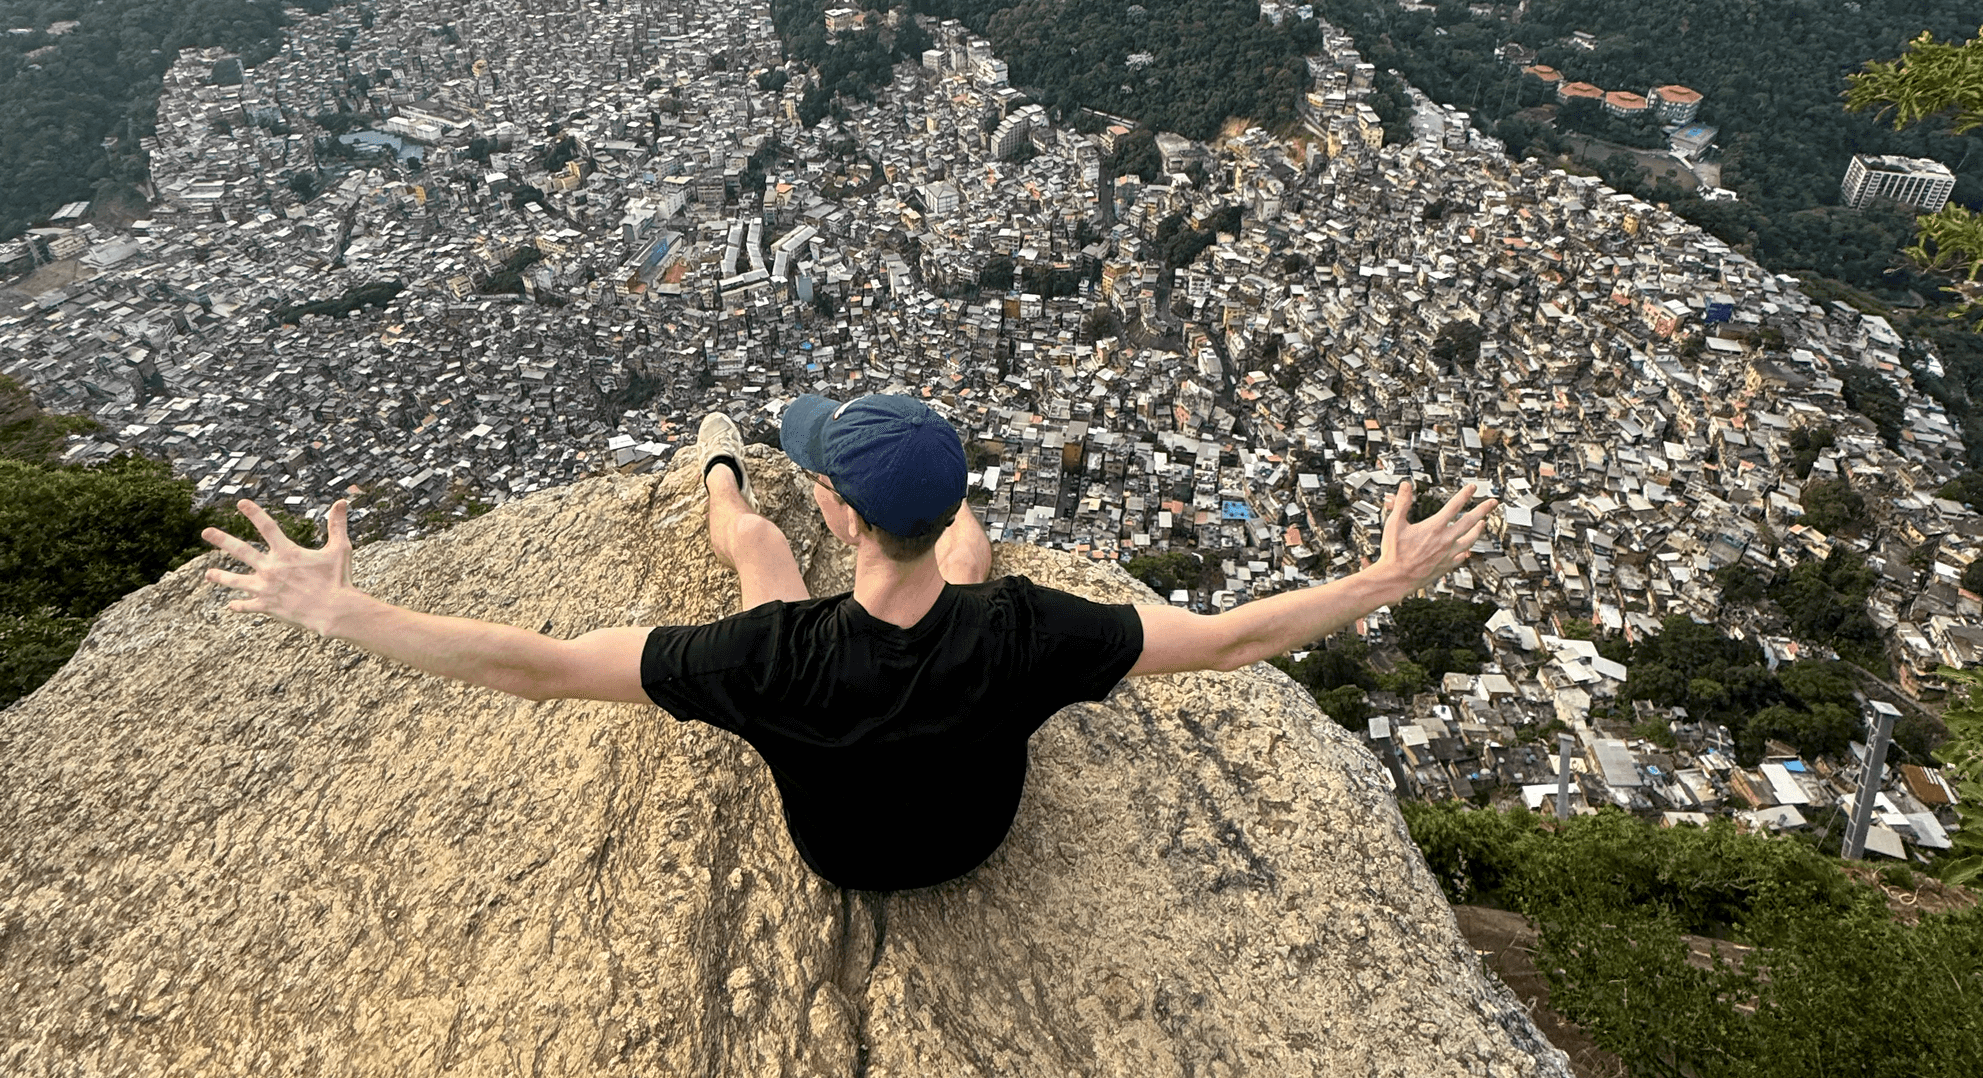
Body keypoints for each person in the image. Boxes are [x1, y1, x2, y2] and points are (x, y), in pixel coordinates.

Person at [204, 393, 1494, 892]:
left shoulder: (769, 659)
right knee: (973, 568)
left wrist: (343, 609)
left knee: (753, 554)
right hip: (971, 842)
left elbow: (539, 663)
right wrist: (1384, 577)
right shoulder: (1024, 631)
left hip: (840, 858)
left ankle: (712, 463)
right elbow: (1221, 643)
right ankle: (843, 493)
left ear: (836, 505)